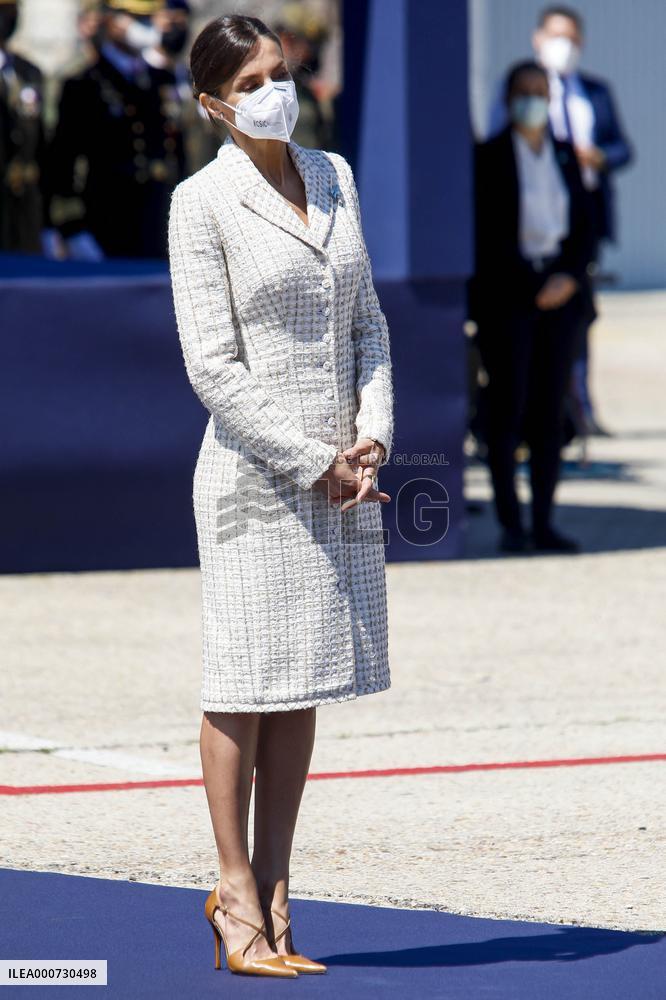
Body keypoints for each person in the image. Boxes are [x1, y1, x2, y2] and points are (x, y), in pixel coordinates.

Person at [167, 14, 394, 977]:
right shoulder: (198, 203)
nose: (274, 92)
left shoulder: (334, 174)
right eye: (251, 82)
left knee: (301, 683)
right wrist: (313, 458)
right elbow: (212, 368)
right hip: (254, 479)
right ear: (214, 105)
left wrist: (372, 433)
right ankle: (235, 898)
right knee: (242, 683)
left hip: (341, 475)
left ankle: (278, 887)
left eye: (280, 71)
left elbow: (368, 323)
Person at [488, 5, 634, 437]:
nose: (562, 46)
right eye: (555, 36)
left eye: (570, 38)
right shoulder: (517, 90)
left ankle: (578, 406)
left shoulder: (596, 92)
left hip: (575, 226)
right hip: (519, 248)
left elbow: (622, 148)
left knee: (576, 324)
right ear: (537, 39)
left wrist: (599, 158)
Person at [470, 60, 594, 554]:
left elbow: (585, 225)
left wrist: (567, 277)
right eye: (524, 91)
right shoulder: (490, 156)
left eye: (540, 92)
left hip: (561, 298)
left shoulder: (564, 153)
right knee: (508, 407)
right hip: (510, 299)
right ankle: (511, 523)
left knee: (549, 410)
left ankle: (544, 521)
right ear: (508, 98)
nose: (532, 101)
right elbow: (488, 235)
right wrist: (533, 284)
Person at [45, 0, 187, 260]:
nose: (144, 26)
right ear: (110, 20)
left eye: (147, 18)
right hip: (105, 224)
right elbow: (62, 161)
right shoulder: (83, 83)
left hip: (156, 226)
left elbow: (175, 155)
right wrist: (73, 228)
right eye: (134, 17)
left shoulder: (161, 79)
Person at [0, 0, 47, 253]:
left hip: (23, 211)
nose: (5, 18)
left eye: (10, 10)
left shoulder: (28, 71)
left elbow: (42, 145)